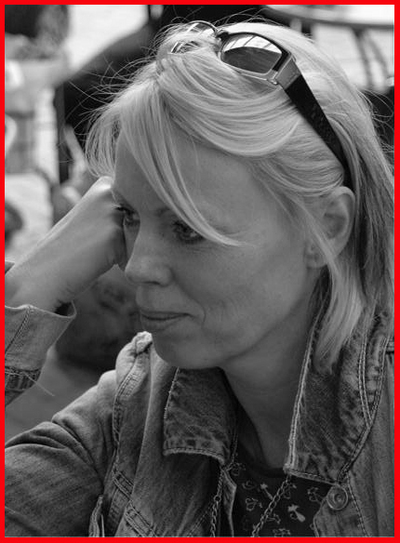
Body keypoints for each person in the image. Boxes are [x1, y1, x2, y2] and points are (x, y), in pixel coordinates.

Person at [5, 20, 393, 536]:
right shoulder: (138, 409)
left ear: (326, 228)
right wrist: (28, 289)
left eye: (187, 228)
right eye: (129, 216)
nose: (136, 266)